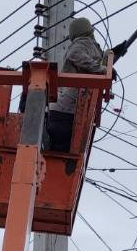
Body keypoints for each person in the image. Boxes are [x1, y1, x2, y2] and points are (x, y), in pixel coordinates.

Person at [45, 15, 105, 151]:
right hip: (68, 112)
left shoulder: (85, 45)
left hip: (61, 110)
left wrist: (107, 59)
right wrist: (101, 69)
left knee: (57, 156)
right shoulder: (83, 42)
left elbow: (93, 63)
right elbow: (76, 54)